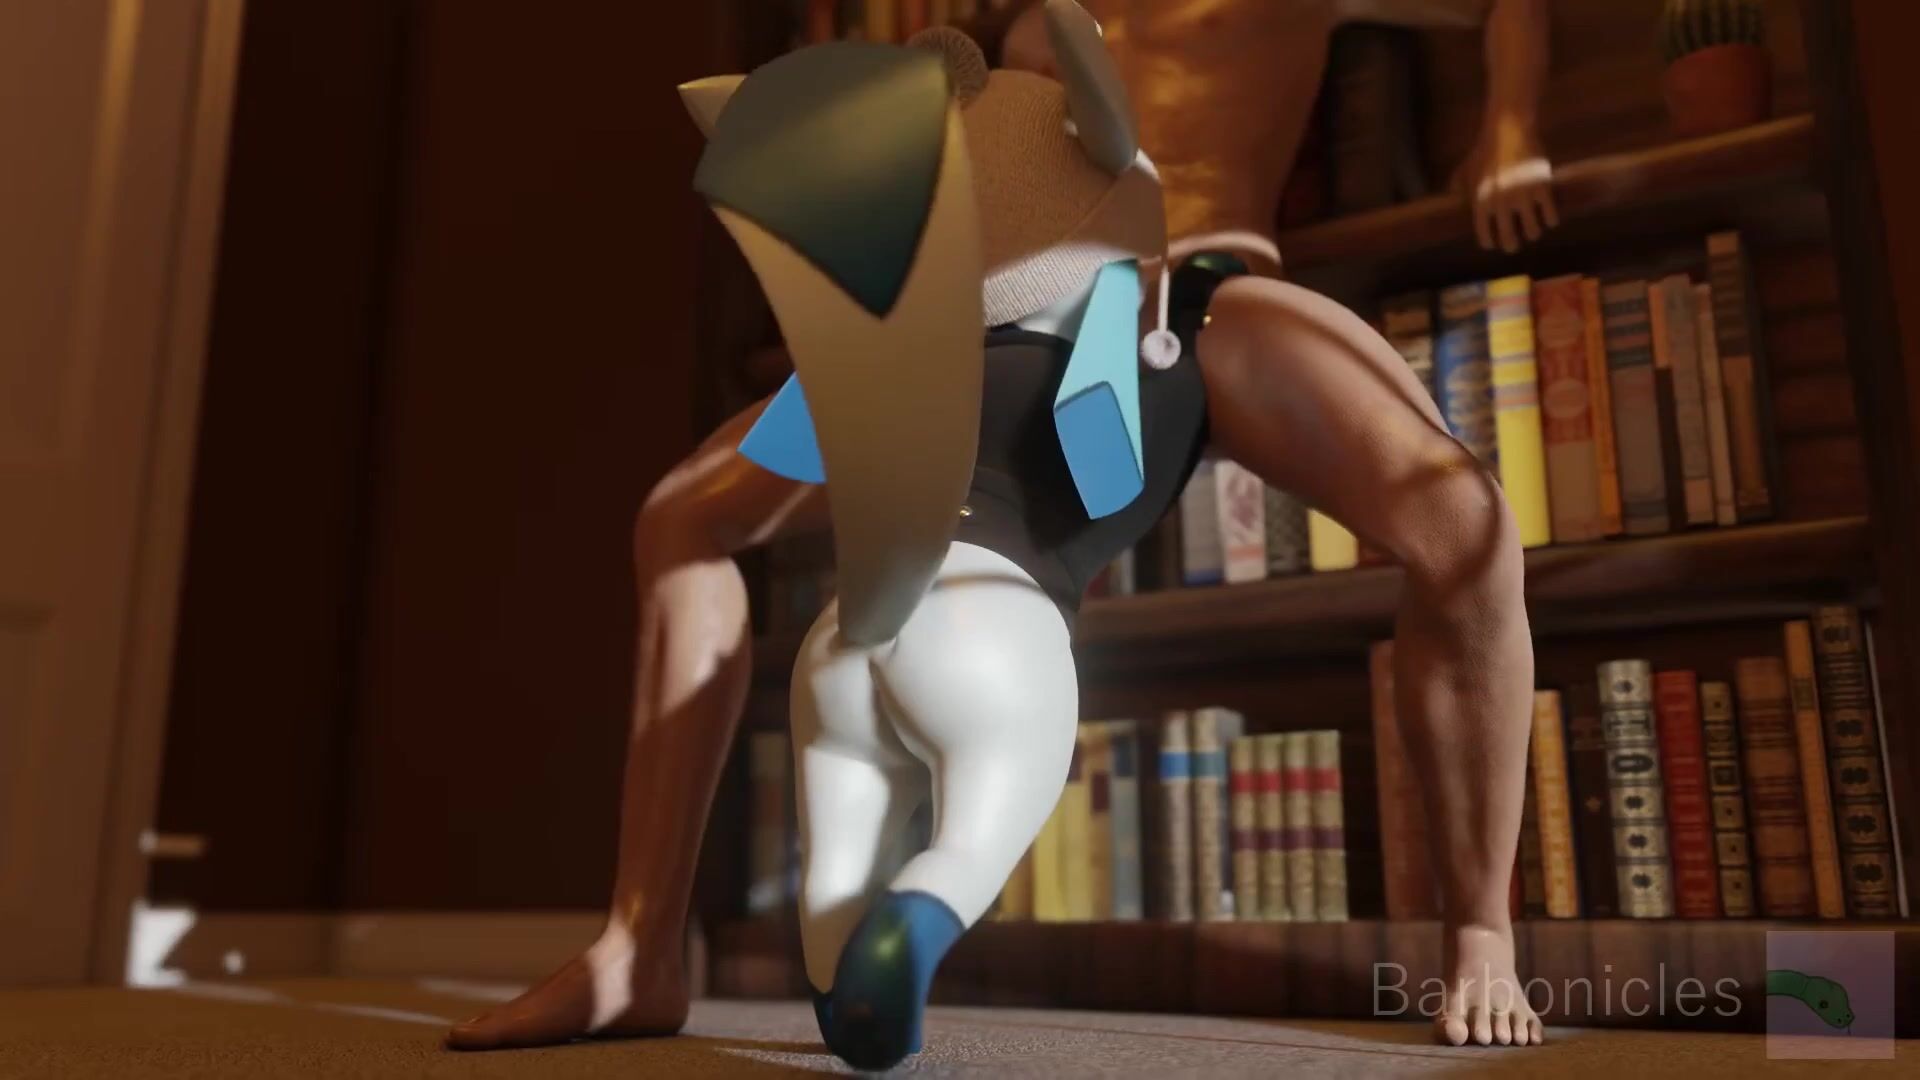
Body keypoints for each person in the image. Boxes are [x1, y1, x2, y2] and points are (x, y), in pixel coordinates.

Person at [448, 0, 1549, 1056]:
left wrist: (1507, 131)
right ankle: (640, 947)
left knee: (1465, 521)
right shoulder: (1006, 34)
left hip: (1186, 284)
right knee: (679, 517)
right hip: (976, 313)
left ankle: (1480, 936)